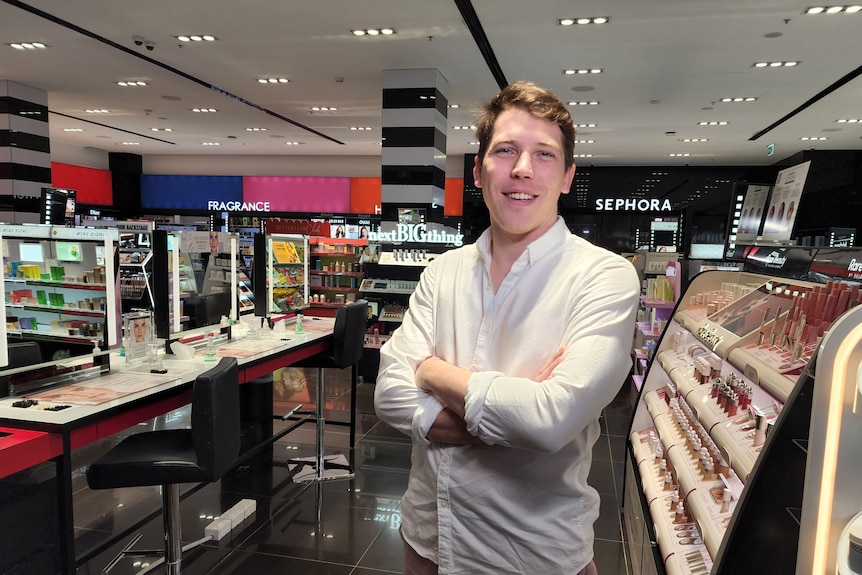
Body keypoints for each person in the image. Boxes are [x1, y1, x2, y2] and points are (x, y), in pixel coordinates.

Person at [374, 81, 640, 575]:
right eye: (505, 150)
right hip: (427, 541)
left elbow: (548, 421)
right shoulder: (443, 272)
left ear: (566, 176)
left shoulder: (603, 277)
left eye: (544, 154)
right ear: (478, 171)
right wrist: (506, 420)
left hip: (533, 555)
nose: (522, 168)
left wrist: (430, 371)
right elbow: (388, 392)